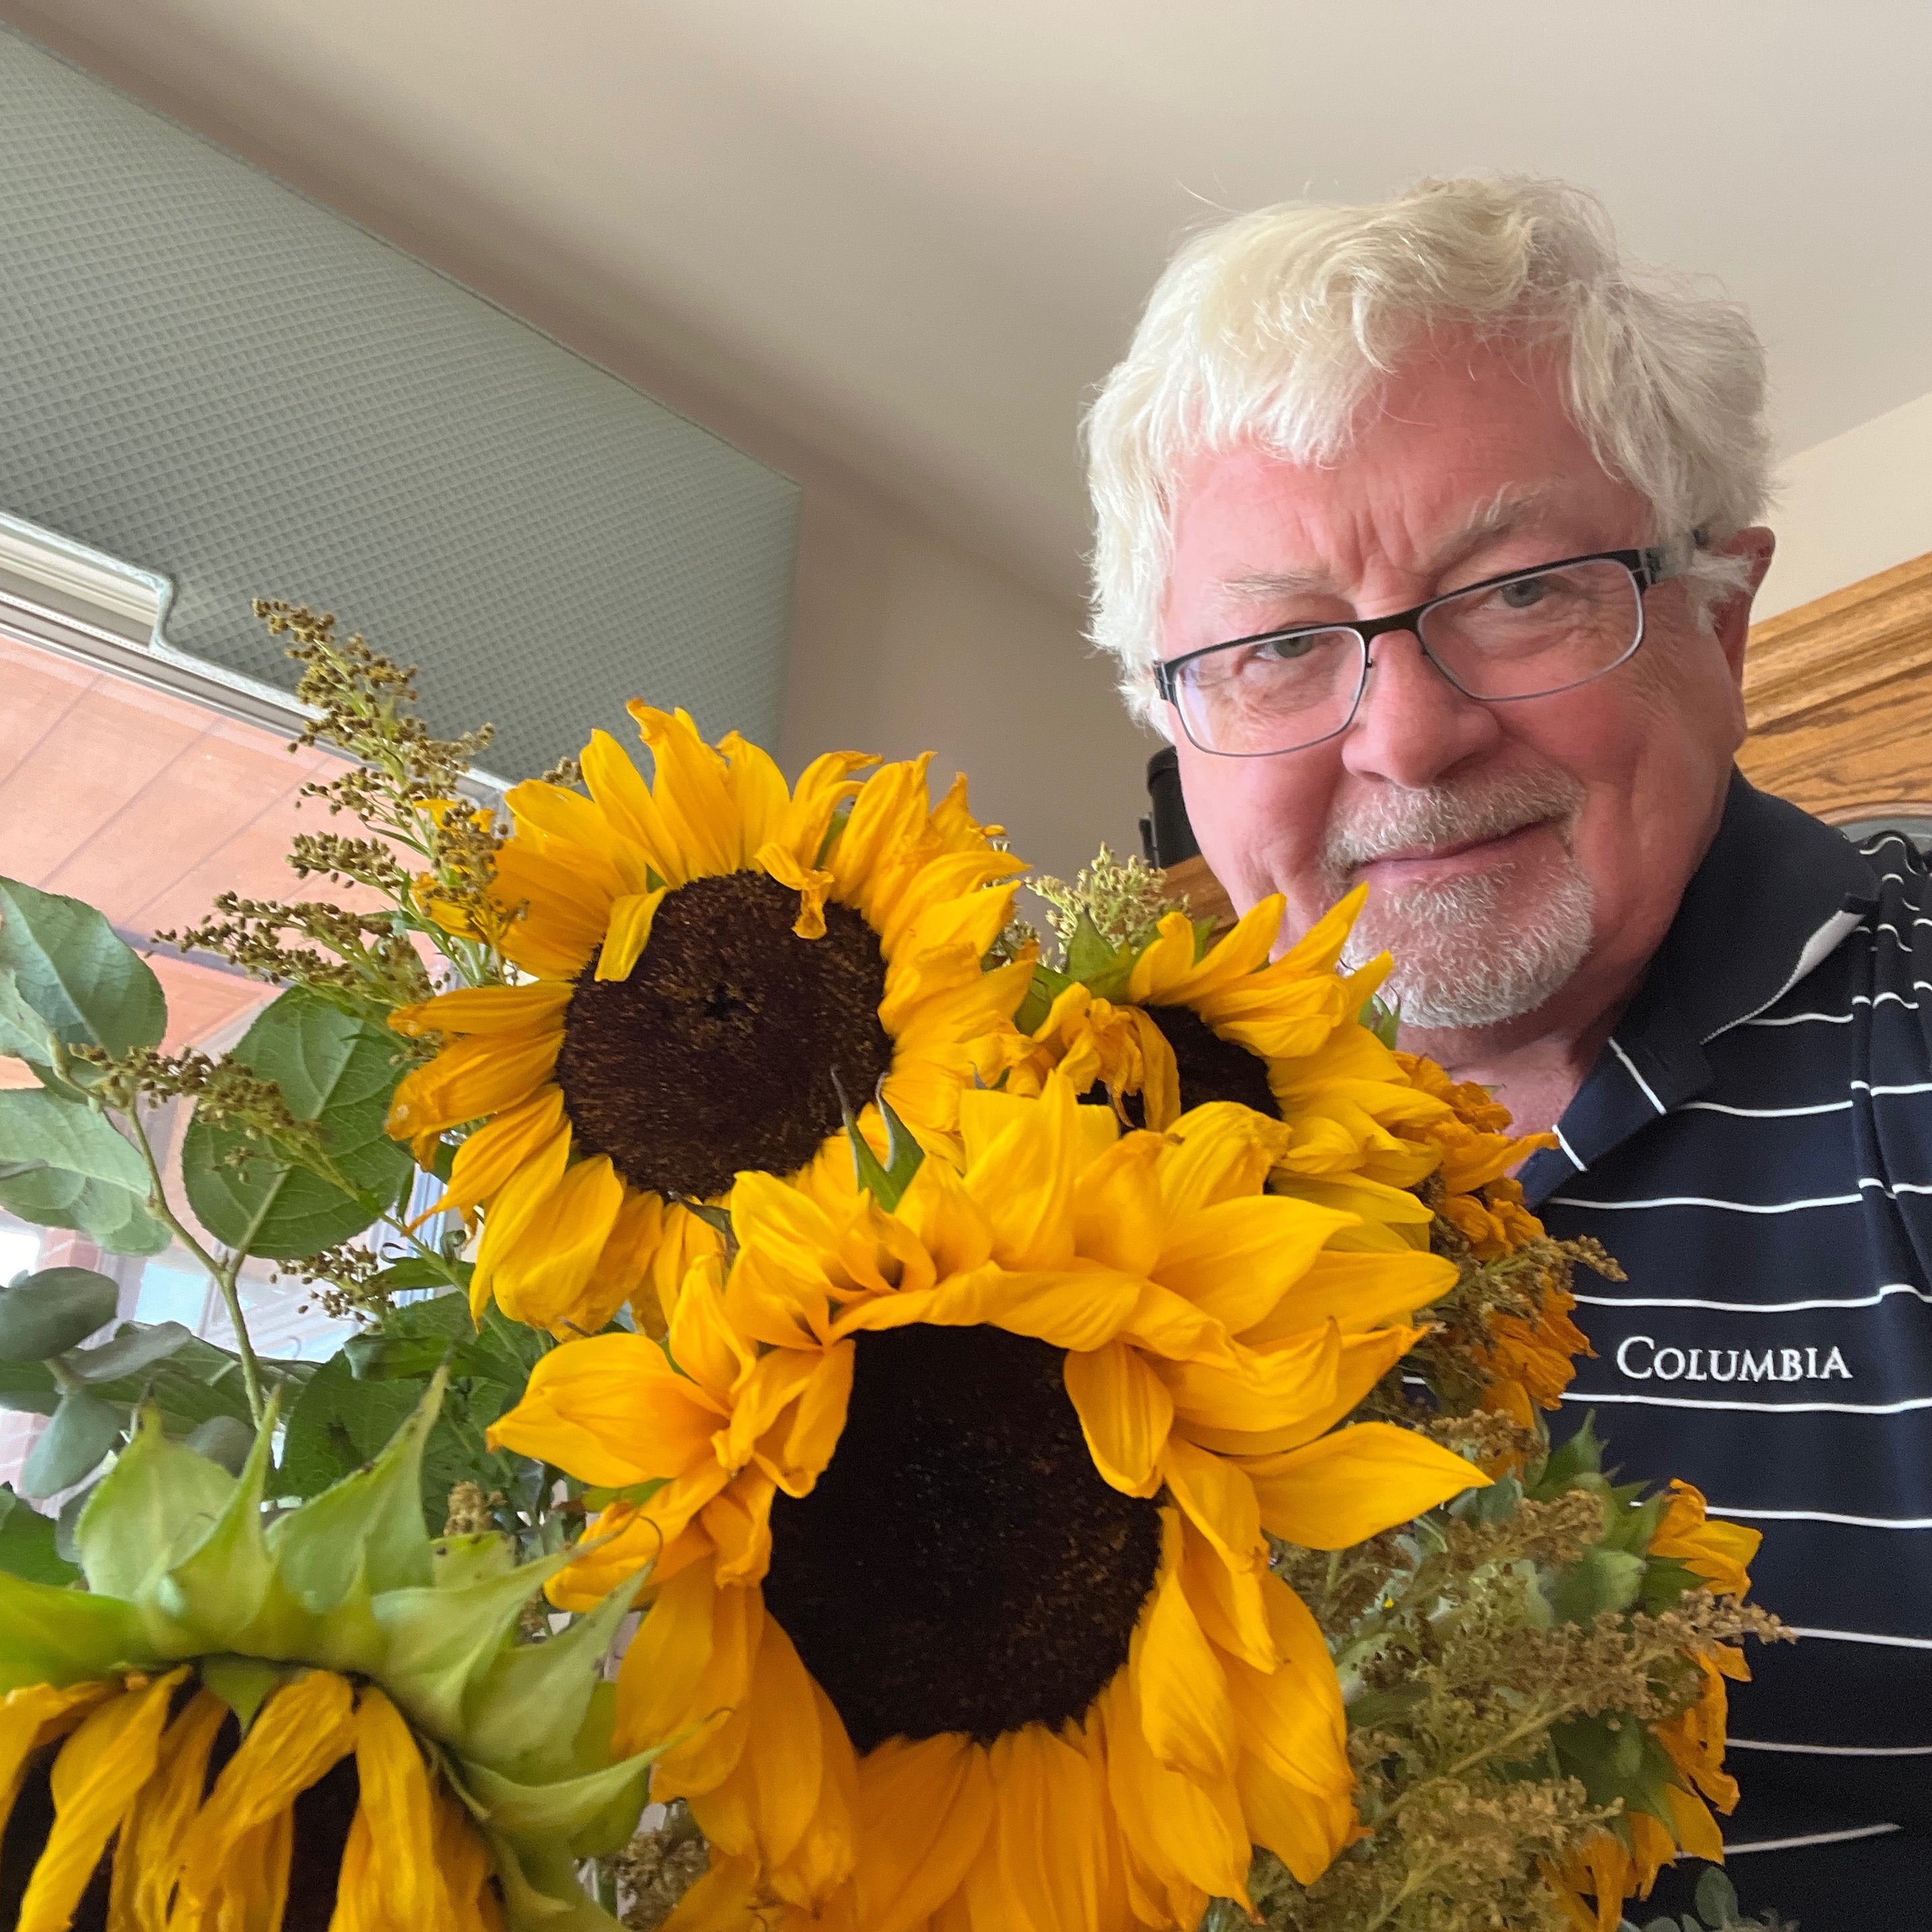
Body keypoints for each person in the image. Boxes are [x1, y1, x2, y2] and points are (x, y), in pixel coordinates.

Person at [1085, 175, 1932, 1928]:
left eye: (1523, 589)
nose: (1405, 733)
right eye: (1272, 646)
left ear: (1720, 618)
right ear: (1181, 724)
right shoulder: (1059, 1137)